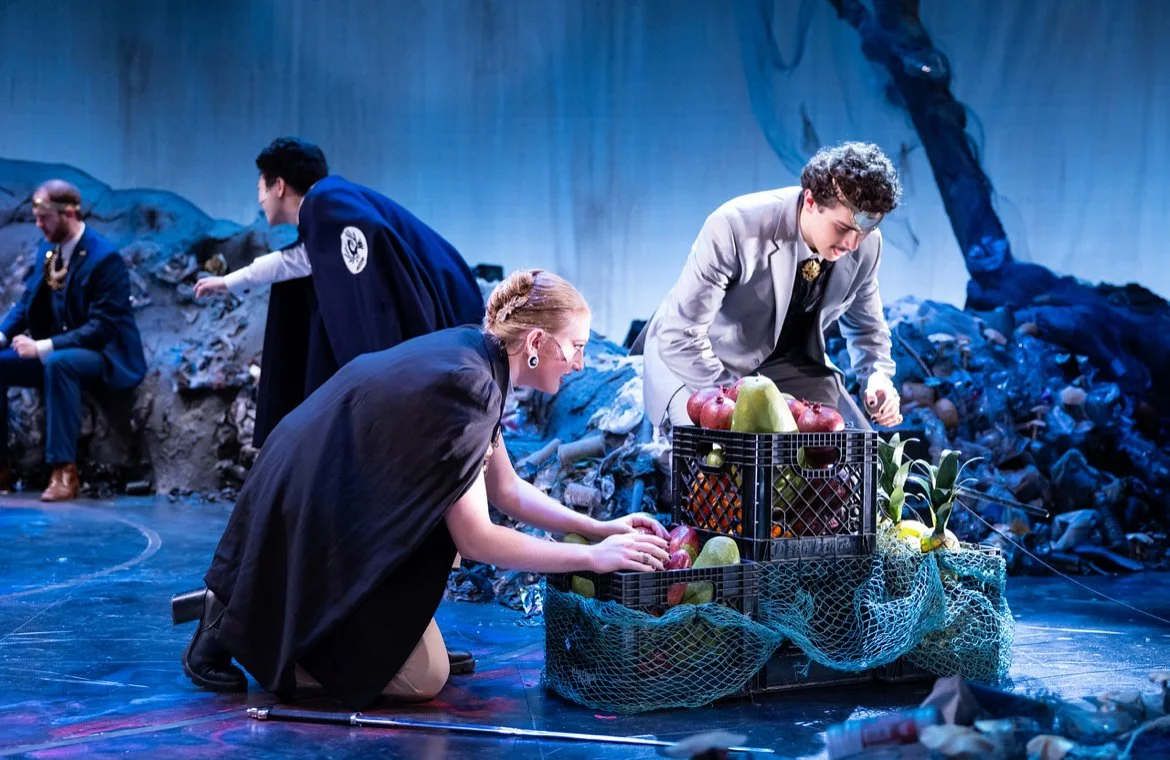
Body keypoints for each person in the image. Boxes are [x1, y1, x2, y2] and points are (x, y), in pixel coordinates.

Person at [175, 269, 670, 708]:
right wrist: (591, 558)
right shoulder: (473, 388)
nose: (580, 362)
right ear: (537, 341)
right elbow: (478, 539)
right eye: (576, 346)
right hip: (313, 506)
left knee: (437, 540)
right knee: (424, 678)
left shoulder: (478, 358)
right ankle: (248, 626)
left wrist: (598, 528)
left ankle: (265, 606)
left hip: (325, 492)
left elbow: (507, 491)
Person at [194, 138, 485, 447]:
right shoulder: (327, 214)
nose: (260, 200)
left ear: (278, 185)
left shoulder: (326, 201)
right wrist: (226, 283)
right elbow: (295, 261)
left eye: (260, 190)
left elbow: (373, 241)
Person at [633, 141, 904, 431]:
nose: (853, 244)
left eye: (866, 231)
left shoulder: (866, 246)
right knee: (719, 460)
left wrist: (877, 377)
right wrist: (745, 405)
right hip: (698, 359)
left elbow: (867, 329)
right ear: (811, 201)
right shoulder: (734, 226)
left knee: (850, 452)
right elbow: (680, 335)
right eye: (843, 228)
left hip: (788, 367)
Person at [0, 180, 147, 500]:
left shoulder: (104, 259)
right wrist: (2, 334)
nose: (38, 225)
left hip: (103, 354)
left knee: (59, 363)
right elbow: (28, 300)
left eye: (45, 218)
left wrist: (42, 346)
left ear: (69, 213)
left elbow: (102, 327)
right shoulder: (48, 249)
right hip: (61, 347)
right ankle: (2, 469)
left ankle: (64, 471)